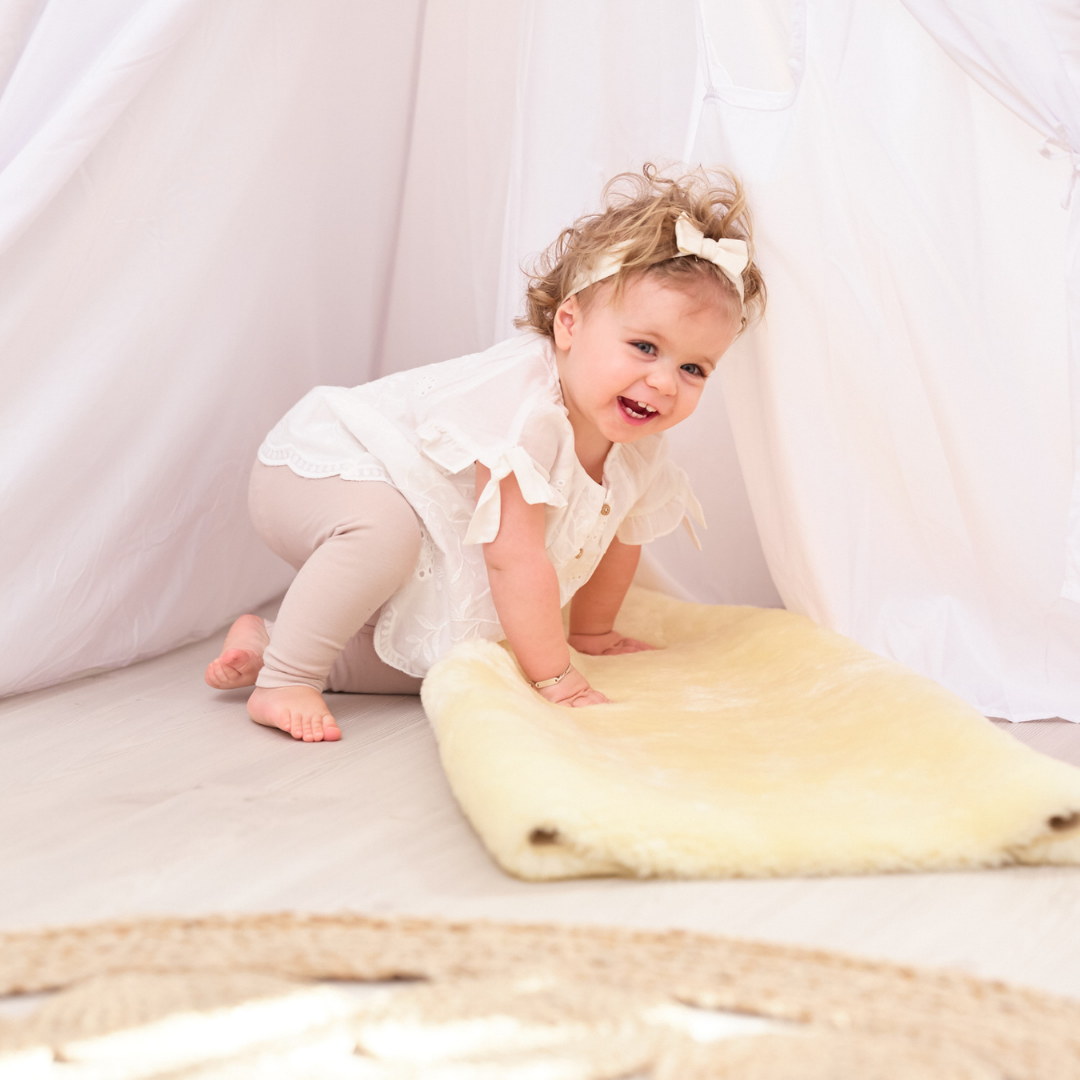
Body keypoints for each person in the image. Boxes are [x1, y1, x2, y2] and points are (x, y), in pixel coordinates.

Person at [205, 164, 766, 742]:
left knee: (461, 653)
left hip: (404, 502)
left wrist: (592, 634)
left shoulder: (640, 445)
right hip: (323, 461)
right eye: (644, 347)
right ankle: (286, 678)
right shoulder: (527, 411)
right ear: (568, 324)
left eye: (693, 368)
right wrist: (557, 679)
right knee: (384, 535)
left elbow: (619, 537)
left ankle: (274, 645)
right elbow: (512, 557)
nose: (665, 382)